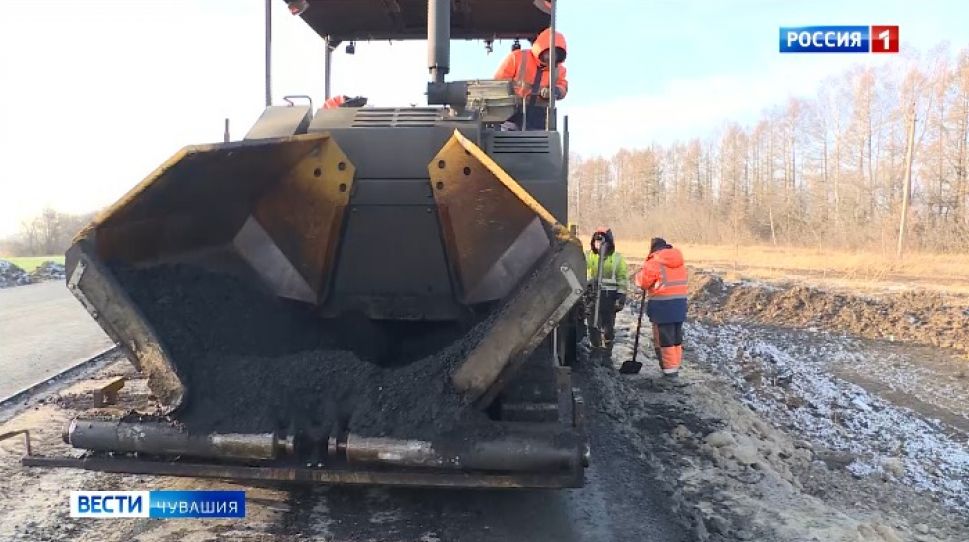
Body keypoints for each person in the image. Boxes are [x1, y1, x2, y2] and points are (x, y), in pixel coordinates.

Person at [494, 27, 568, 131]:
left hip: (539, 119)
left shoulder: (559, 70)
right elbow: (498, 83)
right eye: (550, 51)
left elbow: (562, 86)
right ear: (542, 48)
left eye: (556, 53)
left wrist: (554, 91)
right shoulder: (517, 57)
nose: (552, 56)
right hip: (511, 115)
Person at [634, 238, 688, 377]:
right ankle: (675, 367)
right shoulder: (679, 261)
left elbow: (643, 282)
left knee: (665, 339)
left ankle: (669, 370)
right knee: (676, 337)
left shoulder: (654, 262)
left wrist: (639, 274)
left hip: (662, 305)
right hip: (680, 304)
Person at [585, 228, 628, 351]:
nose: (598, 244)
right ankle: (596, 349)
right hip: (593, 295)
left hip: (609, 297)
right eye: (596, 241)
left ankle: (608, 348)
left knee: (608, 326)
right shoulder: (589, 256)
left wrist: (621, 297)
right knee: (593, 324)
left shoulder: (617, 258)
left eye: (601, 241)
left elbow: (622, 278)